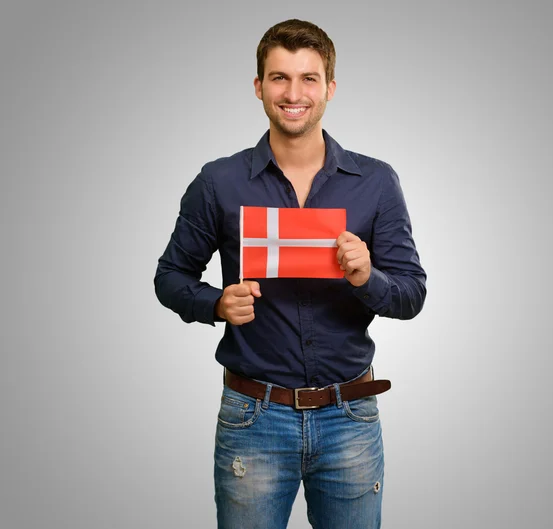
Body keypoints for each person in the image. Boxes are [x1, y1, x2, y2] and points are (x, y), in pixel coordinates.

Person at [154, 18, 426, 529]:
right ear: (259, 87)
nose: (293, 93)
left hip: (350, 416)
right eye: (279, 78)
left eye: (308, 78)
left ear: (330, 88)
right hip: (253, 416)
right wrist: (215, 303)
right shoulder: (219, 181)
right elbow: (170, 277)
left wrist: (369, 276)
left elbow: (411, 295)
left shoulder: (376, 182)